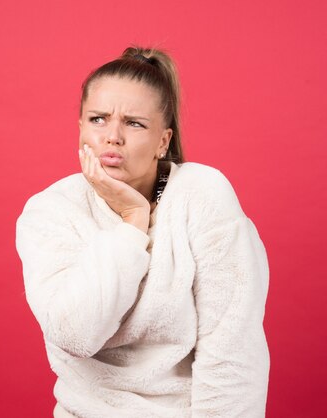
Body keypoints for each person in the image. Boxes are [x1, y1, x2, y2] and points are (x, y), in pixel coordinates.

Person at [15, 46, 270, 418]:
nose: (112, 136)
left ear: (163, 141)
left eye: (134, 123)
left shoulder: (202, 193)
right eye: (98, 119)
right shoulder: (51, 210)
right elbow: (75, 335)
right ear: (80, 128)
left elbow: (232, 347)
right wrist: (133, 222)